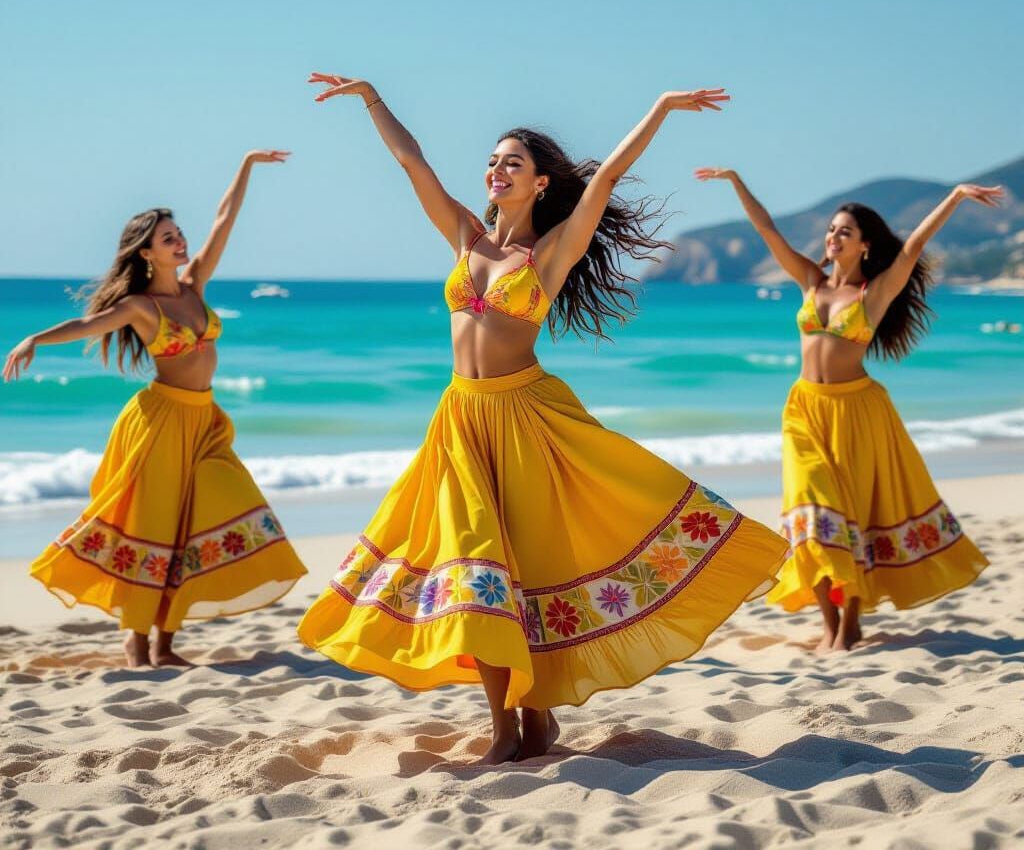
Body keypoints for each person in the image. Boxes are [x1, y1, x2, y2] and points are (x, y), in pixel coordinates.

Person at [297, 73, 789, 763]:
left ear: (541, 185)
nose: (497, 170)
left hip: (525, 420)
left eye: (513, 163)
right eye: (494, 160)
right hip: (461, 424)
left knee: (521, 569)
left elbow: (609, 175)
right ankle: (509, 730)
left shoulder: (550, 252)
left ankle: (531, 720)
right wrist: (373, 97)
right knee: (477, 570)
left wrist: (662, 109)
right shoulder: (465, 234)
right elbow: (413, 161)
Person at [4, 150, 308, 667]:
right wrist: (35, 337)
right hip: (161, 424)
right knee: (157, 528)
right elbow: (85, 327)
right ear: (146, 252)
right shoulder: (140, 308)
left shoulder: (195, 287)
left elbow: (223, 219)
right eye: (168, 238)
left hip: (206, 422)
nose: (180, 241)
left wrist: (247, 166)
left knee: (205, 516)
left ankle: (162, 642)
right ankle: (143, 644)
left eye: (178, 234)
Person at [695, 167, 998, 651]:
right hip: (803, 411)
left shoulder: (872, 295)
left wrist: (956, 196)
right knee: (809, 515)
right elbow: (767, 230)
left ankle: (849, 621)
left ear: (865, 246)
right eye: (833, 229)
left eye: (845, 232)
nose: (834, 237)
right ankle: (830, 620)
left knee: (851, 516)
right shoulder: (810, 281)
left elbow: (914, 247)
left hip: (856, 411)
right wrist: (735, 182)